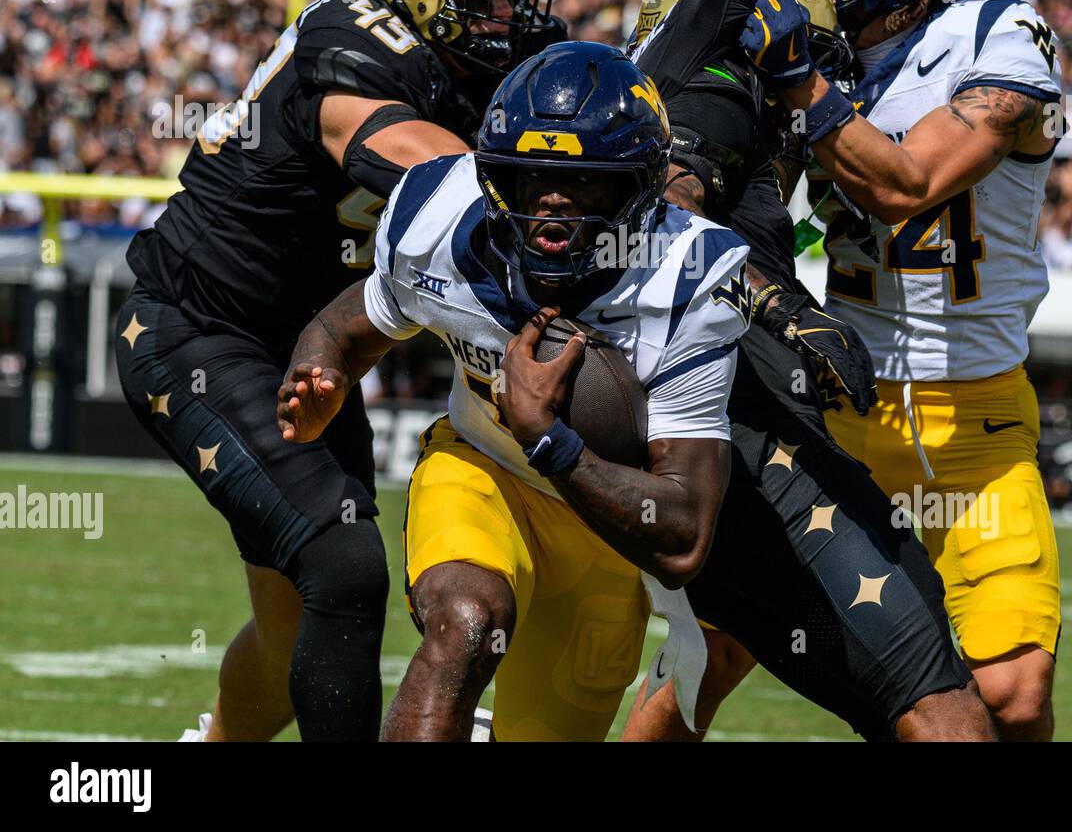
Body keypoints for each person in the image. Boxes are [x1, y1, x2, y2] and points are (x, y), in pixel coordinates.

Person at [115, 0, 561, 742]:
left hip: (315, 348)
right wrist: (571, 183)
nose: (506, 16)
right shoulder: (354, 49)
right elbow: (439, 174)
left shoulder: (461, 53)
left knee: (296, 629)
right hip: (199, 330)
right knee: (343, 563)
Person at [277, 42, 751, 741]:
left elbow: (682, 533)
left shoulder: (689, 276)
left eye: (586, 183)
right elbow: (353, 323)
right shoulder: (439, 214)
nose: (553, 203)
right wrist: (319, 376)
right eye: (531, 178)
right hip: (483, 467)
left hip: (607, 523)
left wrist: (553, 440)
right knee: (465, 622)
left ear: (642, 188)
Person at [620, 0, 994, 741]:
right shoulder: (715, 92)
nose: (817, 79)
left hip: (636, 438)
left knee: (605, 683)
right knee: (937, 702)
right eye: (803, 53)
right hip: (734, 433)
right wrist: (781, 307)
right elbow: (665, 211)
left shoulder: (646, 89)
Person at [766, 0, 1065, 740]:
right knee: (710, 654)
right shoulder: (824, 50)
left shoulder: (997, 36)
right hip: (845, 408)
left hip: (977, 427)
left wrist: (796, 83)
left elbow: (906, 185)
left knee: (1013, 699)